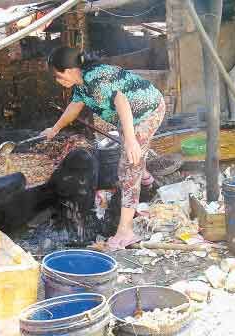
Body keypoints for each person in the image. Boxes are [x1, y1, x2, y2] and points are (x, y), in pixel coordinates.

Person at [42, 46, 165, 251]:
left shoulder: (95, 80)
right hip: (129, 118)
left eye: (58, 75)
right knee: (133, 157)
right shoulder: (82, 83)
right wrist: (54, 130)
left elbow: (121, 101)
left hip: (147, 112)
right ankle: (147, 181)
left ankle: (125, 231)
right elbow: (74, 108)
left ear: (70, 70)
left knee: (128, 168)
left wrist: (132, 139)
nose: (57, 81)